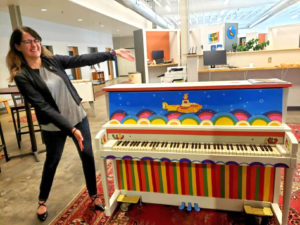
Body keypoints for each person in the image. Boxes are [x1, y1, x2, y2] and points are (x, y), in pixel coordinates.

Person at [6, 26, 134, 221]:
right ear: (17, 46)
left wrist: (112, 54)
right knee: (52, 162)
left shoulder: (52, 61)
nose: (34, 45)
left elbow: (80, 59)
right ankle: (42, 200)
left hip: (77, 116)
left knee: (87, 155)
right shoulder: (23, 76)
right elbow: (42, 107)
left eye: (36, 40)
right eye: (28, 42)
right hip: (54, 126)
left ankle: (93, 194)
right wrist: (71, 129)